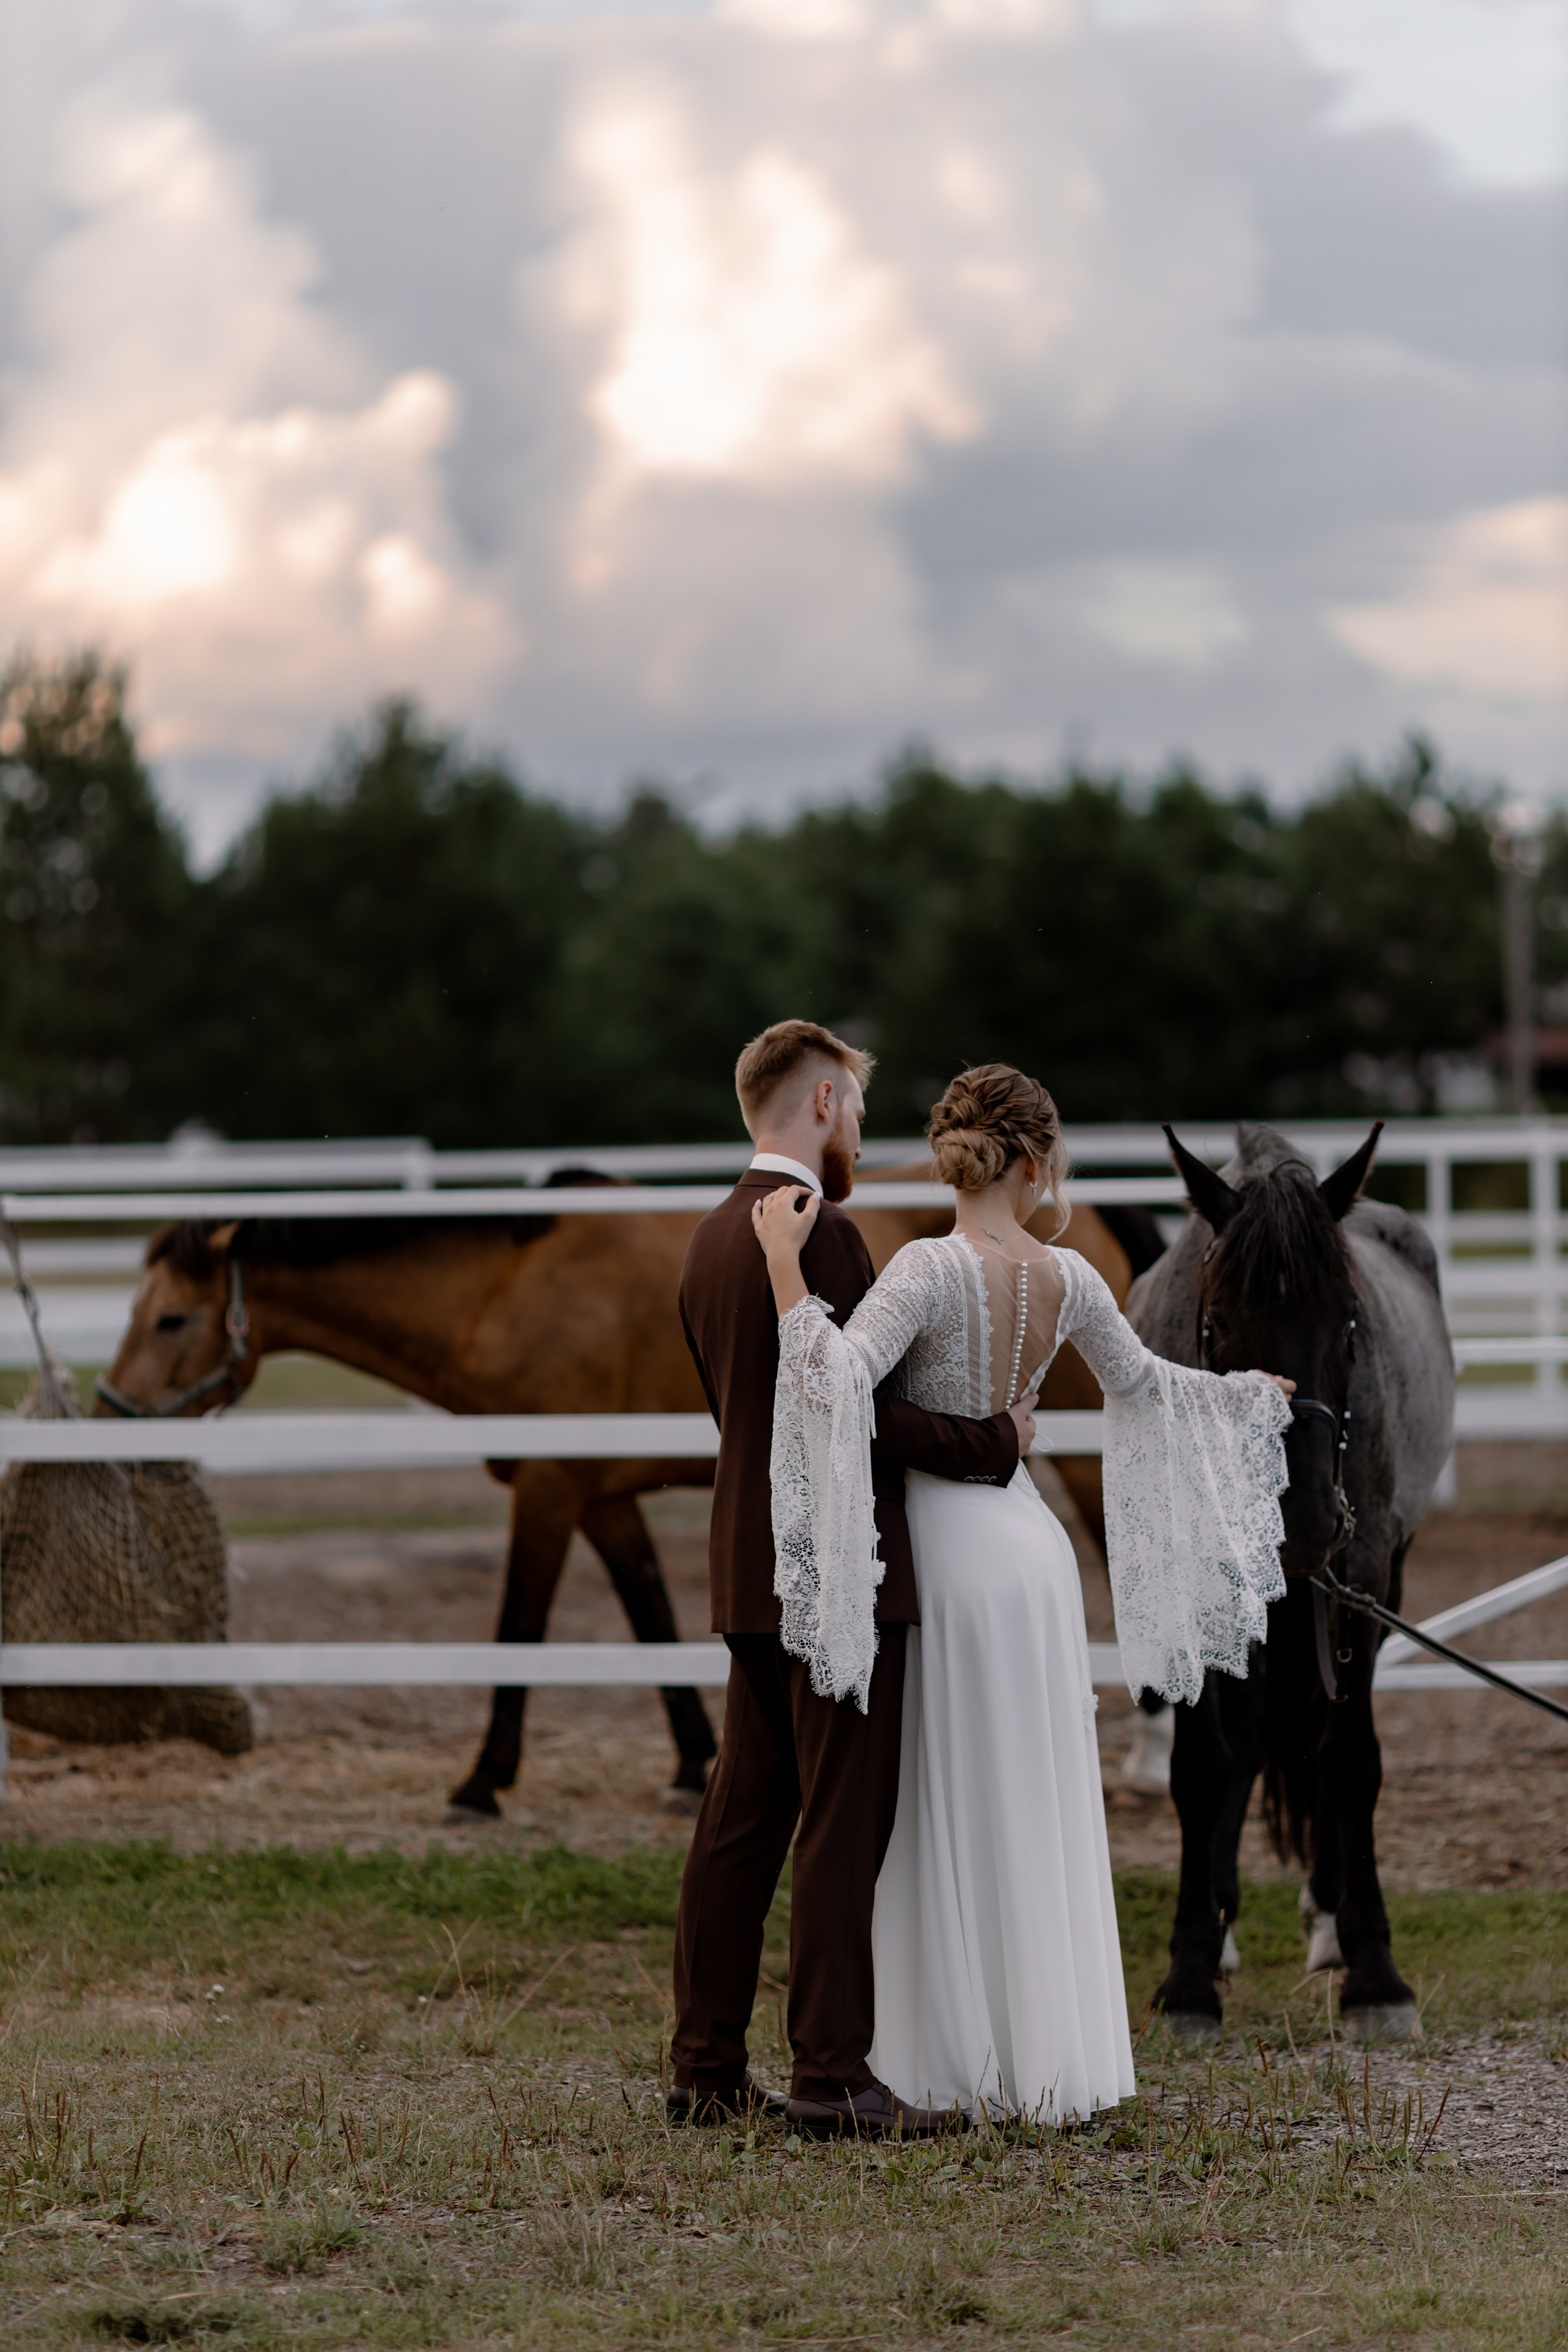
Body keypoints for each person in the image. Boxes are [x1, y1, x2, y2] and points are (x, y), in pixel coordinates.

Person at [755, 1064, 1295, 2124]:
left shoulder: (924, 1268)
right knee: (1030, 1799)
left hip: (945, 1554)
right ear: (1038, 1161)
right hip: (1031, 1557)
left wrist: (783, 1267)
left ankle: (942, 2054)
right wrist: (1247, 1396)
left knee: (941, 1799)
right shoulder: (1071, 1276)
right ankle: (1045, 2056)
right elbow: (1149, 1386)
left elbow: (832, 1382)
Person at [669, 1021, 1031, 2138]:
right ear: (822, 1101)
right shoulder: (821, 1235)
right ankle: (831, 2077)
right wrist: (996, 1440)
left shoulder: (707, 1240)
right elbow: (857, 1414)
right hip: (838, 1577)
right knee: (841, 1823)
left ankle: (704, 2067)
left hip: (748, 1568)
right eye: (860, 1110)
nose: (864, 1135)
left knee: (740, 1820)